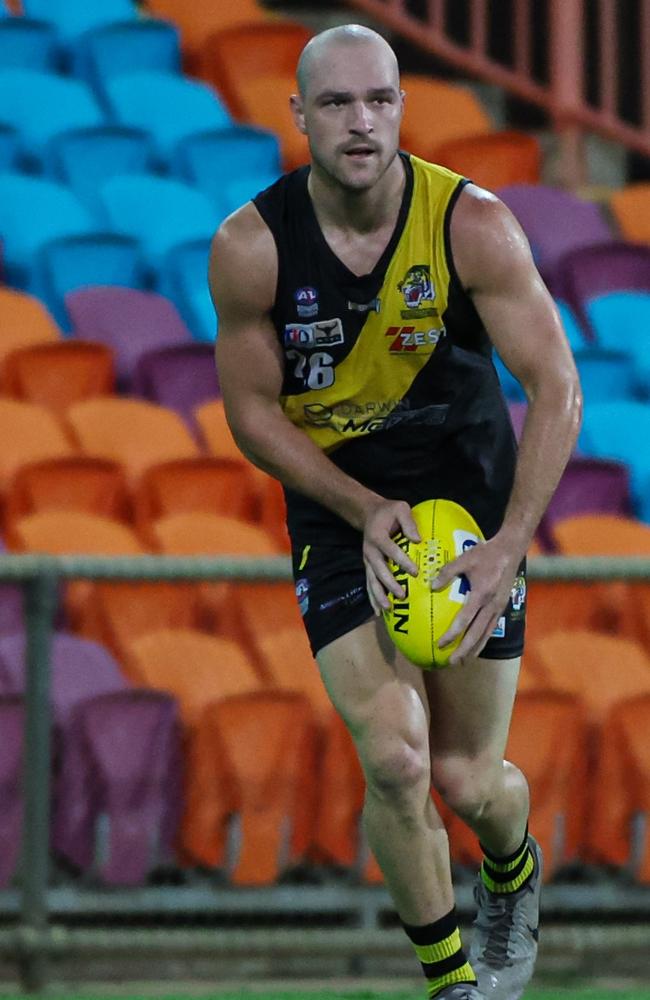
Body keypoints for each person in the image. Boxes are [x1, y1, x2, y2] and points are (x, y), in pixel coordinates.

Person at [209, 24, 582, 1000]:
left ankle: (509, 862)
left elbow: (555, 385)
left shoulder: (470, 226)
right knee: (394, 755)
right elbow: (250, 413)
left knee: (466, 780)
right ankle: (450, 982)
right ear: (296, 115)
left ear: (400, 108)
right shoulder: (252, 248)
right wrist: (358, 503)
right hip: (341, 513)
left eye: (377, 99)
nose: (359, 121)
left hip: (470, 513)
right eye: (335, 103)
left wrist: (510, 543)